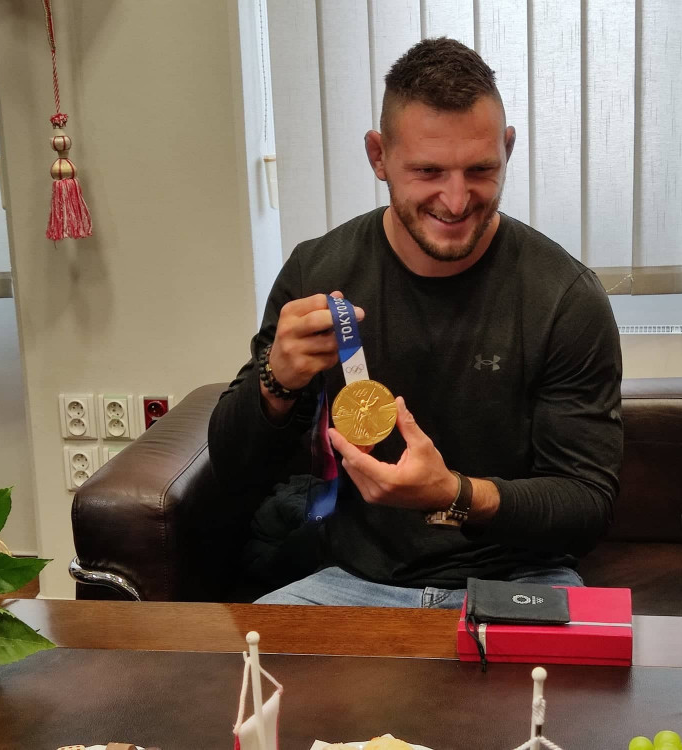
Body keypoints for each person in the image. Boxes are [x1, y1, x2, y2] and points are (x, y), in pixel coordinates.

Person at [208, 37, 622, 607]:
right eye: (428, 171)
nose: (456, 200)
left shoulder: (564, 297)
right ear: (378, 156)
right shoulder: (317, 272)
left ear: (507, 148)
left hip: (517, 580)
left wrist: (455, 494)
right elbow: (233, 470)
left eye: (481, 169)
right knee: (247, 664)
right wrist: (276, 382)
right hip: (351, 580)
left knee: (574, 668)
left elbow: (587, 505)